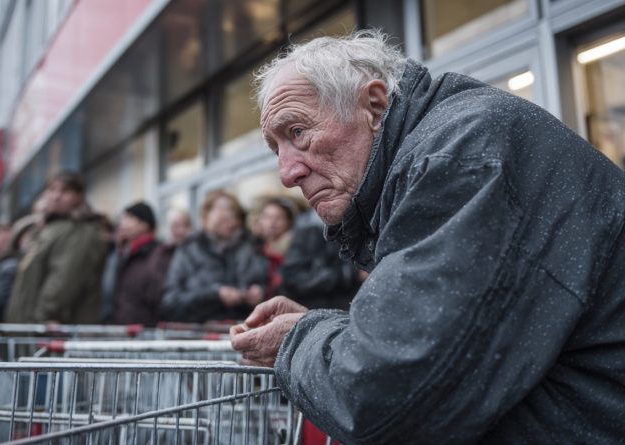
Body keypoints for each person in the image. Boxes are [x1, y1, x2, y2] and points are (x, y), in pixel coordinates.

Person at [230, 31, 625, 443]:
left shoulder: (459, 155)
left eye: (296, 132)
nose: (287, 173)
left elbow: (381, 395)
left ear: (375, 104)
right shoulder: (450, 144)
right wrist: (319, 329)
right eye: (277, 149)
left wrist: (297, 340)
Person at [4, 171, 107, 324]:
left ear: (79, 197)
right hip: (29, 324)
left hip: (48, 329)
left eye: (65, 191)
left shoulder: (78, 231)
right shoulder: (51, 227)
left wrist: (40, 319)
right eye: (52, 189)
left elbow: (62, 282)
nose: (56, 196)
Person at [161, 190, 269, 323]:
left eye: (233, 214)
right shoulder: (188, 250)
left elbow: (265, 287)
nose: (229, 219)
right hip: (199, 333)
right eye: (222, 216)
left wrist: (258, 293)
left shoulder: (249, 249)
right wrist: (214, 294)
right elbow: (170, 303)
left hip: (243, 330)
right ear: (206, 217)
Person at [112, 202, 172, 326]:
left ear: (145, 224)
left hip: (146, 330)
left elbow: (158, 296)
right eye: (123, 219)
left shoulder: (159, 254)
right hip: (126, 328)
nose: (123, 224)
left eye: (130, 219)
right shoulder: (125, 253)